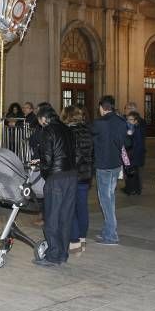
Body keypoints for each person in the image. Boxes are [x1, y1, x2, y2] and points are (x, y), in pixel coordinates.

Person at [34, 106, 77, 268]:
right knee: (65, 217)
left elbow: (47, 158)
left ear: (44, 119)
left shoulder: (47, 131)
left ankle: (53, 256)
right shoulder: (67, 129)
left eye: (40, 122)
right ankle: (63, 254)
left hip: (56, 178)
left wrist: (46, 174)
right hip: (71, 176)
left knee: (52, 217)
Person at [92, 95, 128, 245]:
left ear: (101, 107)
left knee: (105, 199)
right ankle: (108, 230)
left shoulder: (99, 123)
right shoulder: (121, 121)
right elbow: (127, 141)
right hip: (116, 164)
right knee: (110, 197)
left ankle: (111, 234)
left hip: (103, 165)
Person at [63, 106, 93, 255]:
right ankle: (82, 239)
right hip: (86, 174)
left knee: (71, 207)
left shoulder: (69, 132)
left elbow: (73, 155)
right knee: (82, 207)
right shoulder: (88, 130)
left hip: (73, 174)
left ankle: (74, 241)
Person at [123, 111, 146, 195]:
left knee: (131, 173)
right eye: (127, 119)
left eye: (131, 119)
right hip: (129, 154)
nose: (128, 121)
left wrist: (133, 156)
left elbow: (138, 144)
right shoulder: (132, 128)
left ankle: (131, 189)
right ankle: (134, 189)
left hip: (133, 155)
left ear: (136, 121)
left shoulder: (137, 129)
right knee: (132, 172)